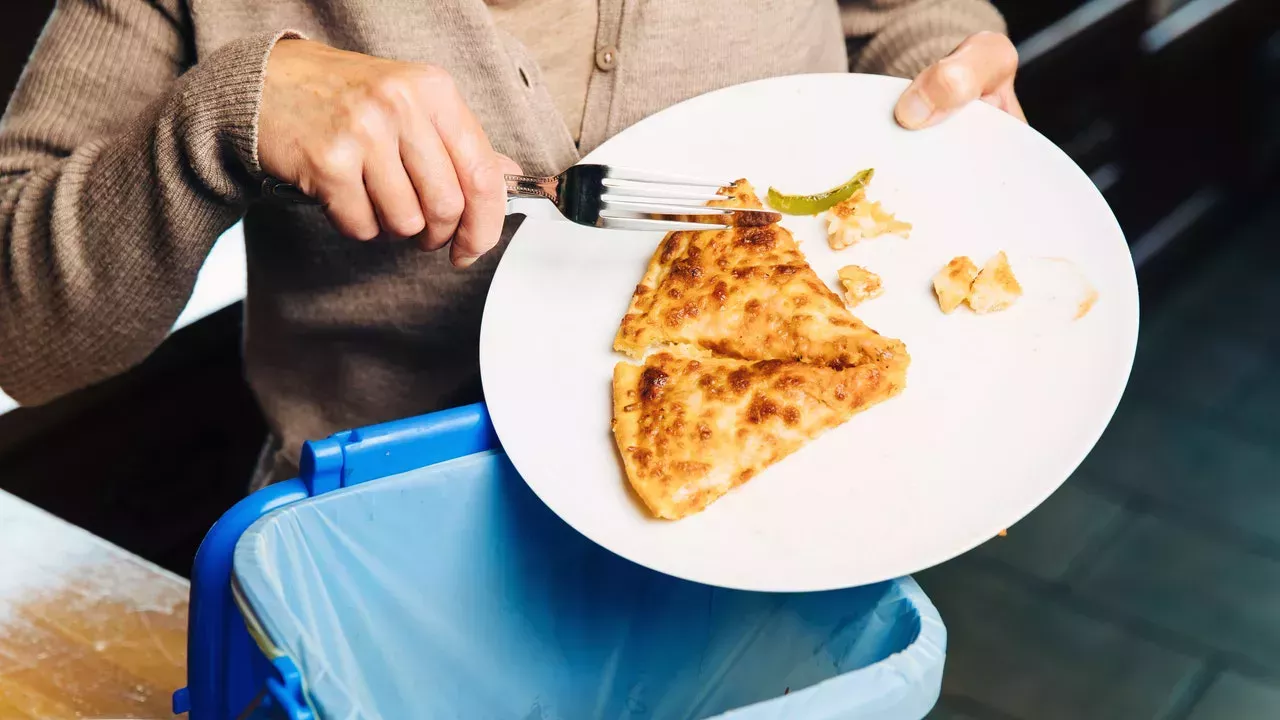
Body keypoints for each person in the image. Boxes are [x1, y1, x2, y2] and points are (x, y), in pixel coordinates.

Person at [0, 0, 1023, 488]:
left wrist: (945, 70)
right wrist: (223, 117)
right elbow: (21, 337)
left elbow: (909, 19)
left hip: (800, 507)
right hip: (388, 564)